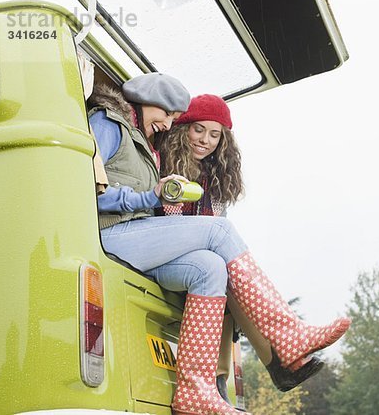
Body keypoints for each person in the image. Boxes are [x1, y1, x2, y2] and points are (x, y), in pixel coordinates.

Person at [89, 74, 350, 415]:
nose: (169, 124)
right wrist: (148, 195)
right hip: (109, 234)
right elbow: (87, 184)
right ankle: (289, 333)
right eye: (167, 115)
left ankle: (196, 390)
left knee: (209, 268)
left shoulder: (142, 141)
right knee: (220, 232)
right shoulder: (108, 125)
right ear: (144, 100)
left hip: (137, 235)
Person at [156, 94, 325, 398]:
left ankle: (230, 378)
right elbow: (172, 224)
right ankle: (276, 361)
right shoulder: (164, 162)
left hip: (201, 261)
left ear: (223, 141)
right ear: (184, 128)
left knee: (225, 271)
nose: (205, 140)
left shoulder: (215, 177)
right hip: (166, 253)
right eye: (199, 130)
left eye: (214, 135)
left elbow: (215, 222)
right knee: (222, 266)